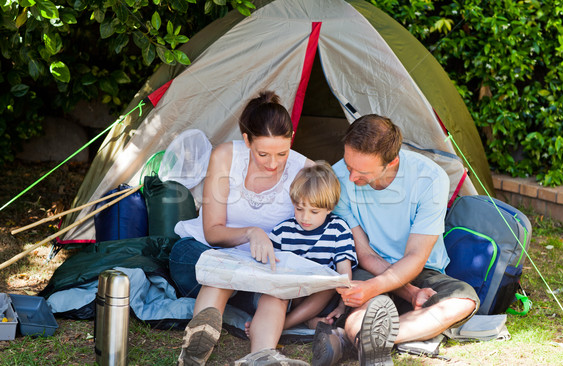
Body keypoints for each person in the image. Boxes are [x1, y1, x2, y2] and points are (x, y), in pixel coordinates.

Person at [311, 114, 480, 366]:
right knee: (364, 306)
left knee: (464, 299)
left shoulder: (430, 179)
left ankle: (359, 340)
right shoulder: (337, 179)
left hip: (422, 269)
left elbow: (415, 256)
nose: (352, 177)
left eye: (363, 172)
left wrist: (408, 289)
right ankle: (372, 335)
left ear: (392, 162)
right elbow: (365, 253)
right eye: (349, 165)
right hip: (371, 267)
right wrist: (406, 292)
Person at [170, 91, 313, 366]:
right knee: (221, 273)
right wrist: (251, 232)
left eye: (282, 153)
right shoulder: (226, 156)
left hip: (260, 269)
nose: (273, 164)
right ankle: (193, 352)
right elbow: (212, 231)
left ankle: (261, 356)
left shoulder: (303, 168)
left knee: (278, 291)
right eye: (263, 154)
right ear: (246, 140)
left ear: (291, 139)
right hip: (202, 254)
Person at [268, 161, 357, 331]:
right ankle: (307, 321)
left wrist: (342, 307)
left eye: (314, 212)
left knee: (331, 283)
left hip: (323, 299)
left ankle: (282, 326)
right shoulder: (282, 231)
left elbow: (344, 274)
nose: (305, 218)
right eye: (299, 209)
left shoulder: (338, 229)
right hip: (292, 295)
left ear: (329, 208)